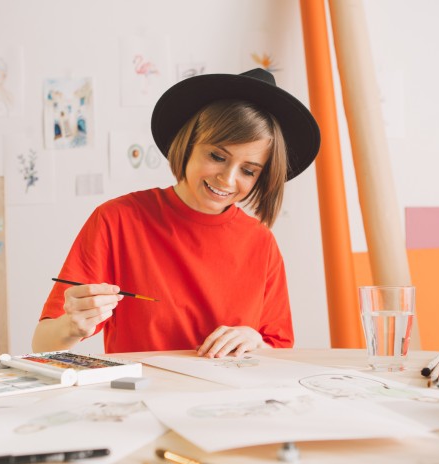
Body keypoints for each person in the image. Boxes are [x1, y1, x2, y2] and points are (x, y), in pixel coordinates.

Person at [33, 68, 320, 358]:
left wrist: (255, 341)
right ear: (188, 143)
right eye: (217, 157)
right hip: (144, 398)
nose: (227, 179)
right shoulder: (117, 219)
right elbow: (42, 344)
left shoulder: (261, 242)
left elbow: (279, 350)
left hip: (233, 399)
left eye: (248, 171)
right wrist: (72, 327)